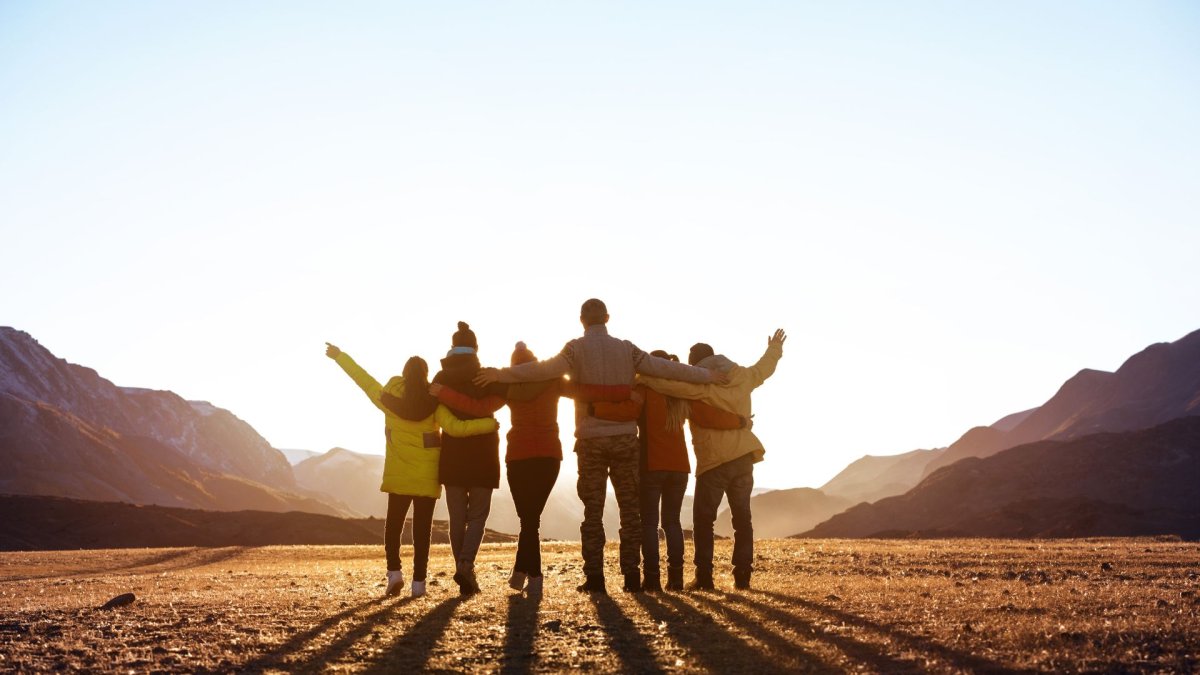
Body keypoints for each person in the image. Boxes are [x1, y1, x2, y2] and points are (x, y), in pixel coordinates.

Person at [475, 299, 725, 594]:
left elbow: (541, 370)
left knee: (592, 512)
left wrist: (500, 374)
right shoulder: (627, 349)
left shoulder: (574, 349)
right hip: (625, 439)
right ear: (607, 318)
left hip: (591, 439)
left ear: (582, 320)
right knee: (630, 512)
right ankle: (631, 577)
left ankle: (595, 579)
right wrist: (708, 376)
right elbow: (665, 369)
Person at [432, 341, 630, 595]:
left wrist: (444, 393)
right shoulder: (553, 381)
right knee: (530, 521)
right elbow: (585, 391)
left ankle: (530, 577)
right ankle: (523, 575)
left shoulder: (509, 386)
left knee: (528, 521)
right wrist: (624, 391)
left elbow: (478, 408)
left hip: (519, 457)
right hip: (549, 457)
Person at [325, 342, 498, 598]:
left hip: (399, 476)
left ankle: (394, 574)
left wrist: (339, 356)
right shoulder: (434, 404)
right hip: (426, 477)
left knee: (394, 527)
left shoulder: (387, 399)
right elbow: (456, 428)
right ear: (425, 375)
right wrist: (488, 425)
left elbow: (363, 379)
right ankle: (419, 584)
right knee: (422, 532)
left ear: (404, 374)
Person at [638, 329, 786, 591]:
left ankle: (704, 577)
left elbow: (669, 385)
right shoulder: (743, 376)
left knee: (704, 521)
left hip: (714, 461)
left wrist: (641, 375)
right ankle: (742, 576)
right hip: (743, 456)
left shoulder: (699, 384)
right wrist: (775, 347)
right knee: (743, 519)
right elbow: (765, 368)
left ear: (694, 364)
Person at [591, 351, 749, 592]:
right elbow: (708, 416)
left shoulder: (645, 389)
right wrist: (740, 421)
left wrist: (595, 408)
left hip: (652, 465)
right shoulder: (681, 393)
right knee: (672, 522)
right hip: (680, 468)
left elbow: (627, 411)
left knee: (649, 523)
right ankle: (676, 579)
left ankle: (652, 578)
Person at [430, 322, 508, 596]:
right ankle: (466, 565)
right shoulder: (486, 376)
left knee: (456, 517)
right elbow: (493, 403)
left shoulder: (440, 378)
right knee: (477, 516)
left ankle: (461, 567)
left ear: (452, 348)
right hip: (483, 453)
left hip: (452, 454)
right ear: (476, 348)